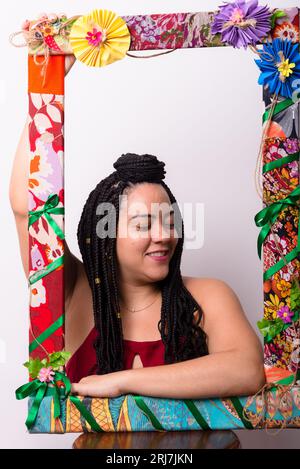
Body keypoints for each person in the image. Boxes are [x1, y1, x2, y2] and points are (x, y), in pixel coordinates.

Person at [9, 56, 266, 400]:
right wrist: (47, 86)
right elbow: (28, 208)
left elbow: (247, 370)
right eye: (143, 224)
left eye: (169, 220)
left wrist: (121, 380)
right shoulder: (74, 293)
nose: (163, 235)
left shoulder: (208, 296)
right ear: (105, 233)